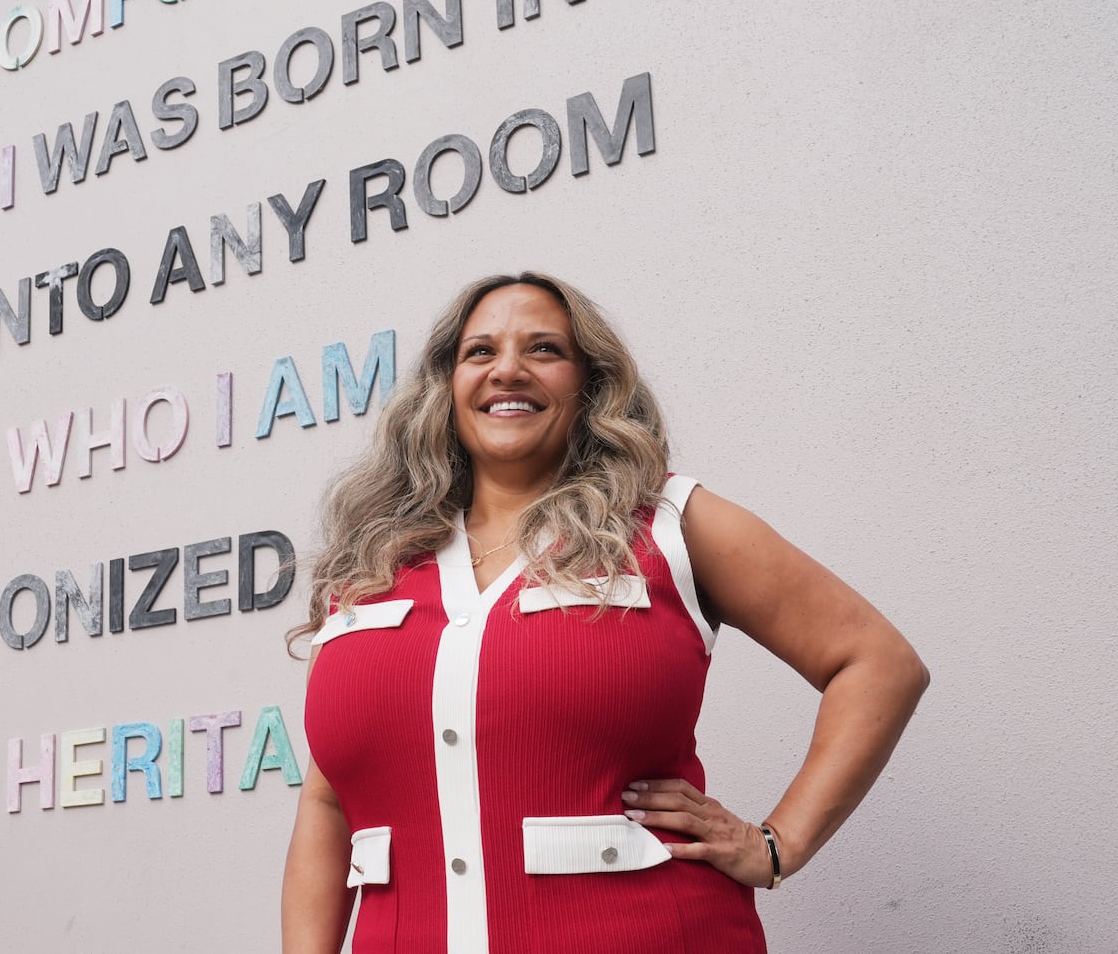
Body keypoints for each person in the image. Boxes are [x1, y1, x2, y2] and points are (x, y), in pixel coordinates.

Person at [280, 272, 929, 954]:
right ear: (443, 387)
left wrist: (776, 842)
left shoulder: (671, 523)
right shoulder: (370, 567)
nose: (508, 369)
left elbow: (878, 662)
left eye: (544, 349)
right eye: (480, 352)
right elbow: (328, 802)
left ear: (590, 384)